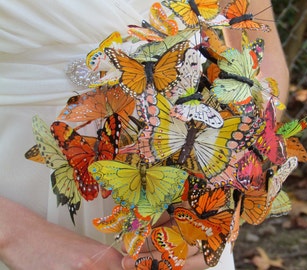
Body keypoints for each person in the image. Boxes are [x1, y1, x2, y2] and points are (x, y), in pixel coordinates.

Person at [0, 0, 288, 269]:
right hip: (16, 184)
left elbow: (261, 63)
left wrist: (228, 186)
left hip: (184, 189)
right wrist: (16, 235)